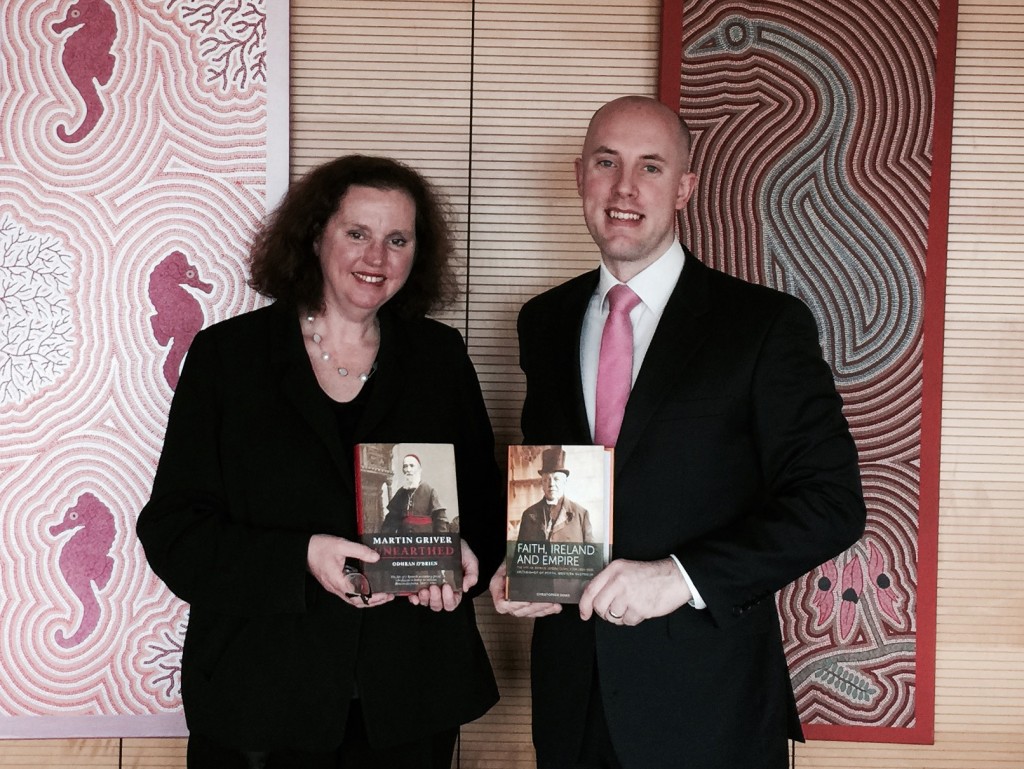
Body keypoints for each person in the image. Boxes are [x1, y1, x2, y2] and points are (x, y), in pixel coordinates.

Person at [490, 95, 866, 769]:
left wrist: (680, 576)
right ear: (581, 176)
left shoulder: (762, 325)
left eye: (651, 167)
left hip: (707, 701)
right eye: (607, 162)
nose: (625, 187)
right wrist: (522, 568)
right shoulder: (542, 321)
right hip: (570, 698)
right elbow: (558, 476)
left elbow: (831, 504)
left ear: (686, 187)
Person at [137, 155, 504, 768]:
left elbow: (485, 507)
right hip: (259, 699)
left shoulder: (439, 356)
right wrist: (303, 557)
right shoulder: (229, 357)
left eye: (398, 239)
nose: (376, 258)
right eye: (357, 233)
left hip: (408, 702)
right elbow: (175, 533)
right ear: (314, 237)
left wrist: (469, 559)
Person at [516, 446, 593, 543]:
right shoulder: (529, 515)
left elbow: (592, 555)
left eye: (556, 479)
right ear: (542, 483)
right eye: (546, 480)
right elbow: (520, 554)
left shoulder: (581, 514)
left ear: (564, 482)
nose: (551, 484)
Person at [382, 453, 451, 534]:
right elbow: (391, 519)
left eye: (412, 466)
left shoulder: (430, 490)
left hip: (425, 541)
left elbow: (440, 520)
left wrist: (440, 542)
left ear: (419, 469)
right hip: (404, 541)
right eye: (405, 466)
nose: (408, 469)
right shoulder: (401, 493)